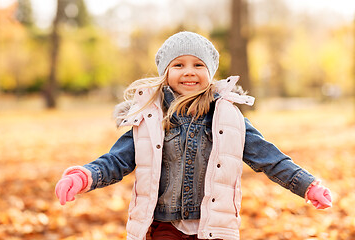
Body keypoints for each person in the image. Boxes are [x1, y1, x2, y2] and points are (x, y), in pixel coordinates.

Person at [55, 31, 332, 240]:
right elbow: (116, 161)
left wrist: (307, 185)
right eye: (179, 65)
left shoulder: (228, 118)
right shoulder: (151, 119)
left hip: (213, 226)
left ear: (210, 73)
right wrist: (83, 176)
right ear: (165, 73)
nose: (189, 71)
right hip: (164, 225)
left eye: (198, 65)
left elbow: (270, 159)